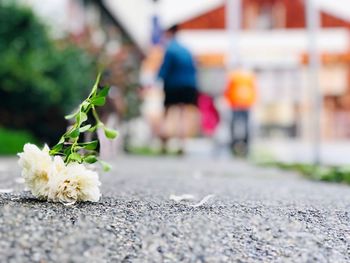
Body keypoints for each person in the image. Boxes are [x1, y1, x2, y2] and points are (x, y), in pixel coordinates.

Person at [157, 24, 198, 154]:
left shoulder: (170, 49)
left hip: (172, 85)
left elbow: (164, 69)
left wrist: (156, 79)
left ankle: (164, 144)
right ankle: (182, 145)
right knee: (183, 114)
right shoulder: (187, 50)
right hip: (189, 86)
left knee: (167, 113)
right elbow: (194, 69)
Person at [224, 67, 256, 157]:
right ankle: (245, 146)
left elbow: (227, 90)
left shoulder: (233, 76)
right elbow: (254, 90)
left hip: (236, 103)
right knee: (245, 125)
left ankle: (234, 145)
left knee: (234, 125)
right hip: (245, 103)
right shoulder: (249, 76)